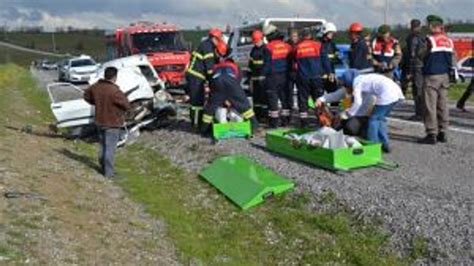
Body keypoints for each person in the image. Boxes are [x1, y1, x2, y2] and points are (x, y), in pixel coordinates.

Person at [319, 69, 404, 153]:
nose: (345, 87)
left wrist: (346, 114)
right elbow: (335, 95)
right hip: (395, 92)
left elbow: (358, 104)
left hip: (386, 96)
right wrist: (320, 99)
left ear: (349, 82)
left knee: (373, 120)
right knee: (380, 119)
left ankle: (372, 145)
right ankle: (385, 144)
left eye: (346, 85)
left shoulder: (358, 85)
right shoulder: (363, 82)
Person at [200, 41, 261, 136]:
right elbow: (237, 81)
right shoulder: (235, 66)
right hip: (231, 82)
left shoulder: (215, 66)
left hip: (217, 82)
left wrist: (220, 98)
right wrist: (232, 98)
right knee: (244, 105)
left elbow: (212, 82)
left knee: (210, 108)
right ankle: (255, 126)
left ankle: (204, 129)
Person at [83, 67, 130, 178]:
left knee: (103, 146)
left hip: (99, 120)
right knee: (110, 148)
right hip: (112, 122)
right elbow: (126, 105)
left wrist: (95, 102)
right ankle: (109, 173)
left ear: (105, 75)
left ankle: (103, 167)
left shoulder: (96, 87)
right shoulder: (115, 91)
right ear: (114, 77)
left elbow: (86, 95)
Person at [418, 15, 455, 144]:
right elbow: (452, 59)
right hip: (444, 76)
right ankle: (443, 131)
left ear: (433, 26)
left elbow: (421, 54)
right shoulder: (449, 40)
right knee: (443, 105)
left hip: (432, 75)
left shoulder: (430, 40)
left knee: (430, 106)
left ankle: (431, 133)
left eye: (429, 25)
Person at [294, 29, 333, 128]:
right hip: (317, 77)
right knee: (319, 100)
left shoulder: (298, 47)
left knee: (303, 101)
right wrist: (330, 72)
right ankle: (322, 122)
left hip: (303, 78)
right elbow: (325, 60)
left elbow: (294, 63)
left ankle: (304, 123)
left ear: (302, 37)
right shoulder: (318, 45)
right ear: (311, 36)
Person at [186, 28, 223, 129]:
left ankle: (196, 122)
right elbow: (210, 69)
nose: (218, 42)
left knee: (197, 100)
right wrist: (216, 81)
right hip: (196, 76)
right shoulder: (208, 47)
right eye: (218, 40)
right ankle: (196, 124)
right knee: (197, 102)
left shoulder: (205, 44)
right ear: (214, 38)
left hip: (196, 76)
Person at [262, 24, 293, 128]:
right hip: (286, 76)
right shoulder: (288, 46)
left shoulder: (268, 47)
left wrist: (263, 76)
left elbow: (267, 64)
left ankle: (274, 123)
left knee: (273, 100)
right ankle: (286, 121)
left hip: (272, 76)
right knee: (285, 99)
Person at [403, 19, 426, 120]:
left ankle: (419, 113)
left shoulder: (412, 38)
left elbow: (412, 54)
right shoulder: (424, 37)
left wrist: (409, 71)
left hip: (416, 66)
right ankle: (423, 112)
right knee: (422, 89)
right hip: (423, 66)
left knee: (417, 90)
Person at [248, 30, 267, 122]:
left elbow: (267, 64)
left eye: (257, 41)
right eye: (255, 42)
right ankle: (258, 116)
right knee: (256, 100)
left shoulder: (266, 49)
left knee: (264, 99)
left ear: (262, 39)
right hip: (255, 78)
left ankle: (265, 116)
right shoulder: (253, 50)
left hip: (264, 78)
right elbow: (250, 64)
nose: (256, 43)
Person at [321, 22, 339, 93]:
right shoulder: (319, 44)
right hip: (322, 73)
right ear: (326, 32)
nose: (332, 35)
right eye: (331, 33)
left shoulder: (332, 44)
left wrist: (337, 56)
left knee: (333, 94)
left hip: (331, 73)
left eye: (333, 33)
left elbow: (336, 58)